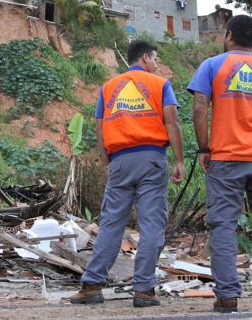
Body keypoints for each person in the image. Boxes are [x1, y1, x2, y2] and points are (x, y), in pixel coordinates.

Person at [70, 40, 185, 308]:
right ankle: (144, 291)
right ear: (145, 58)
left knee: (110, 225)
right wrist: (179, 159)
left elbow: (100, 130)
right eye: (155, 59)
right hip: (151, 160)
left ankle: (92, 285)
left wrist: (107, 162)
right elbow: (172, 122)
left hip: (119, 161)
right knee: (152, 226)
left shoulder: (108, 88)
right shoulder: (160, 85)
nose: (157, 64)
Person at [187, 15, 252, 313]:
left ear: (229, 35)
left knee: (223, 226)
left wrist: (204, 148)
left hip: (225, 159)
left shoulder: (212, 65)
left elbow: (199, 106)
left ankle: (228, 296)